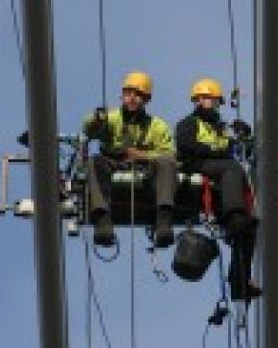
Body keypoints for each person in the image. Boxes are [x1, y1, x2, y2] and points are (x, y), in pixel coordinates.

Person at [175, 78, 261, 301]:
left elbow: (239, 149)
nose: (207, 102)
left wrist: (242, 136)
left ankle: (239, 284)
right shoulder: (189, 123)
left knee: (247, 233)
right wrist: (220, 151)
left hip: (219, 174)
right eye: (203, 98)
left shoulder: (221, 128)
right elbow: (186, 146)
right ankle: (234, 215)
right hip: (197, 165)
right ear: (196, 101)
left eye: (211, 98)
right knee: (231, 168)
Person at [83, 72, 176, 248]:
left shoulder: (157, 126)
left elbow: (170, 155)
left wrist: (143, 156)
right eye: (128, 93)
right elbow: (90, 130)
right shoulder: (112, 118)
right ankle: (103, 222)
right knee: (95, 162)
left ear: (146, 99)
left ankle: (163, 222)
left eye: (137, 94)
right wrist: (96, 119)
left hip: (146, 169)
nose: (132, 98)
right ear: (122, 96)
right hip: (113, 162)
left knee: (166, 163)